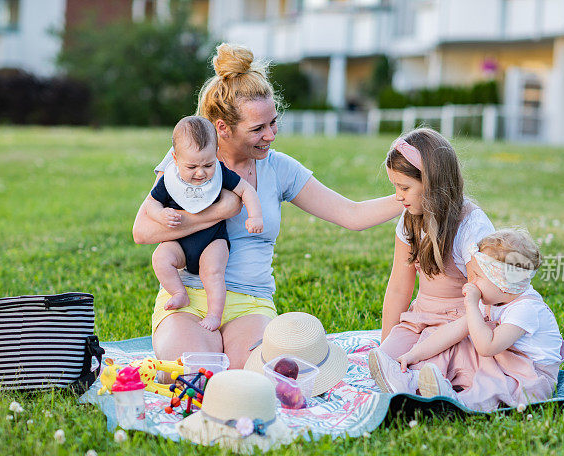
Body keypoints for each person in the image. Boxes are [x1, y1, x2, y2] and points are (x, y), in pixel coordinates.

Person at [133, 43, 402, 369]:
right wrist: (221, 211)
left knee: (250, 381)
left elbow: (351, 215)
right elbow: (143, 231)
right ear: (223, 128)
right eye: (258, 129)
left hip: (251, 304)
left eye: (274, 123)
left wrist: (410, 196)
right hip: (188, 297)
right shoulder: (191, 162)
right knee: (196, 373)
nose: (271, 135)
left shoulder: (280, 169)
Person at [366, 127, 495, 393]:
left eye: (404, 187)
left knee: (429, 366)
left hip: (460, 322)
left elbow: (483, 302)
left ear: (433, 182)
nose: (398, 196)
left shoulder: (470, 226)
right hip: (421, 315)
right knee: (388, 358)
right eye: (395, 187)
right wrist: (386, 341)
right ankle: (407, 377)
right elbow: (400, 286)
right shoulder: (410, 219)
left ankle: (427, 383)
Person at [409, 228, 564, 412]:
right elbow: (455, 330)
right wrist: (413, 355)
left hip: (531, 376)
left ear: (503, 284)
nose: (471, 281)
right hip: (504, 362)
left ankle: (454, 401)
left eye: (478, 276)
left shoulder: (526, 309)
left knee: (495, 385)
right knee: (454, 342)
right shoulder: (497, 299)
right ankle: (414, 376)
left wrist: (470, 305)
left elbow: (486, 347)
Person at [146, 116, 263, 332]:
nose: (200, 173)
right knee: (160, 257)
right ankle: (179, 293)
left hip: (213, 240)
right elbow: (151, 204)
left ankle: (214, 314)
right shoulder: (169, 179)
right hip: (179, 244)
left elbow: (246, 190)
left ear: (215, 154)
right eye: (191, 166)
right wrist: (161, 215)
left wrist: (254, 216)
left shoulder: (220, 173)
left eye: (207, 164)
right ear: (175, 158)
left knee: (212, 271)